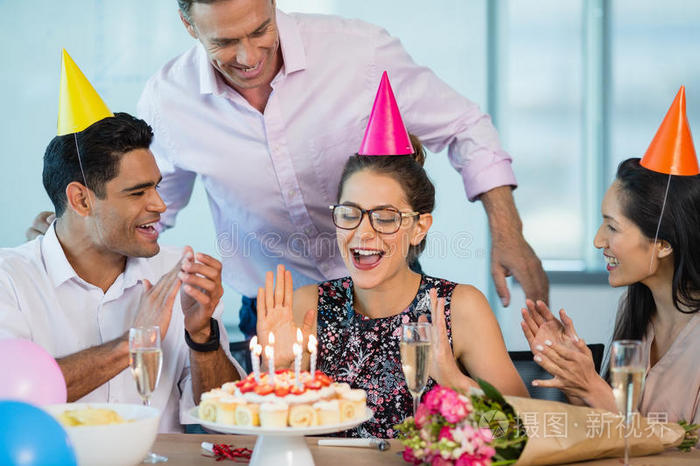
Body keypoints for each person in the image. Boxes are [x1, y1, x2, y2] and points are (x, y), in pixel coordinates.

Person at [29, 0, 548, 337]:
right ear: (187, 23)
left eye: (260, 30)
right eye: (224, 43)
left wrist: (508, 232)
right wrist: (71, 239)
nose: (249, 55)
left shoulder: (358, 51)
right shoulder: (170, 100)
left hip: (386, 296)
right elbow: (149, 209)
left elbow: (463, 125)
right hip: (273, 315)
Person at [255, 76, 528, 438]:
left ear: (419, 227)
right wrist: (280, 374)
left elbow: (521, 430)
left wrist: (452, 378)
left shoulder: (459, 308)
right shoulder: (306, 307)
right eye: (350, 213)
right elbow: (269, 440)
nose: (363, 233)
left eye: (385, 218)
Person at [1, 64, 244, 431]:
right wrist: (134, 343)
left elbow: (224, 418)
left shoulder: (178, 271)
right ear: (81, 200)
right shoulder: (11, 281)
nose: (160, 205)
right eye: (138, 192)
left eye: (157, 187)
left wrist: (202, 336)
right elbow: (14, 400)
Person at [520, 88, 700, 428]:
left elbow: (685, 449)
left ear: (662, 244)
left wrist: (592, 386)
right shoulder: (635, 310)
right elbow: (609, 432)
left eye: (612, 227)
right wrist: (573, 374)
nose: (598, 239)